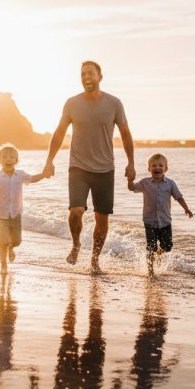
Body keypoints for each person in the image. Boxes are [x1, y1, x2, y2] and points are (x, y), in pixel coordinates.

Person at [42, 61, 135, 274]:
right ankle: (76, 244)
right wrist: (49, 160)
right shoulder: (72, 104)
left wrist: (131, 162)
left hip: (104, 169)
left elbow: (126, 134)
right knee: (76, 211)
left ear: (100, 77)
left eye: (90, 74)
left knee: (102, 218)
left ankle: (94, 260)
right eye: (83, 74)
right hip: (78, 167)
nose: (86, 77)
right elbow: (58, 133)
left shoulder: (114, 103)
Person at [0, 143, 48, 273]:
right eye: (4, 157)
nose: (8, 159)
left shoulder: (20, 175)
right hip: (0, 215)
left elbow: (32, 179)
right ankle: (3, 265)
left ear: (16, 160)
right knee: (2, 241)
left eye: (11, 157)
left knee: (17, 241)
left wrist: (44, 174)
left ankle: (11, 248)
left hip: (16, 214)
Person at [128, 153, 194, 276]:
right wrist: (129, 180)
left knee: (167, 246)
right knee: (151, 247)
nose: (157, 168)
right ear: (149, 169)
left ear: (165, 169)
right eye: (153, 165)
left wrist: (186, 208)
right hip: (150, 221)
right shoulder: (145, 183)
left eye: (160, 165)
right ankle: (150, 271)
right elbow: (132, 188)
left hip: (165, 221)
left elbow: (178, 197)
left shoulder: (170, 183)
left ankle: (158, 255)